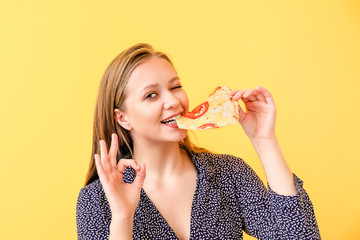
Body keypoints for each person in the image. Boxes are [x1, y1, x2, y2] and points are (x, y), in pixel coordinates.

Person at [76, 43, 320, 240]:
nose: (173, 101)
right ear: (123, 118)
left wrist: (264, 139)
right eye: (151, 95)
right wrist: (122, 218)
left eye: (176, 86)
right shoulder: (96, 200)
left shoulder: (229, 174)